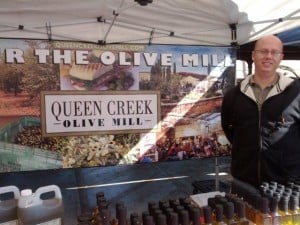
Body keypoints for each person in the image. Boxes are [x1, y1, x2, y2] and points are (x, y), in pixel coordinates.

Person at [221, 35, 300, 187]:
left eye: (274, 52)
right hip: (244, 179)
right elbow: (230, 130)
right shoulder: (234, 95)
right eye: (263, 51)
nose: (268, 56)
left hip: (286, 183)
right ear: (253, 55)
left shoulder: (296, 93)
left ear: (281, 57)